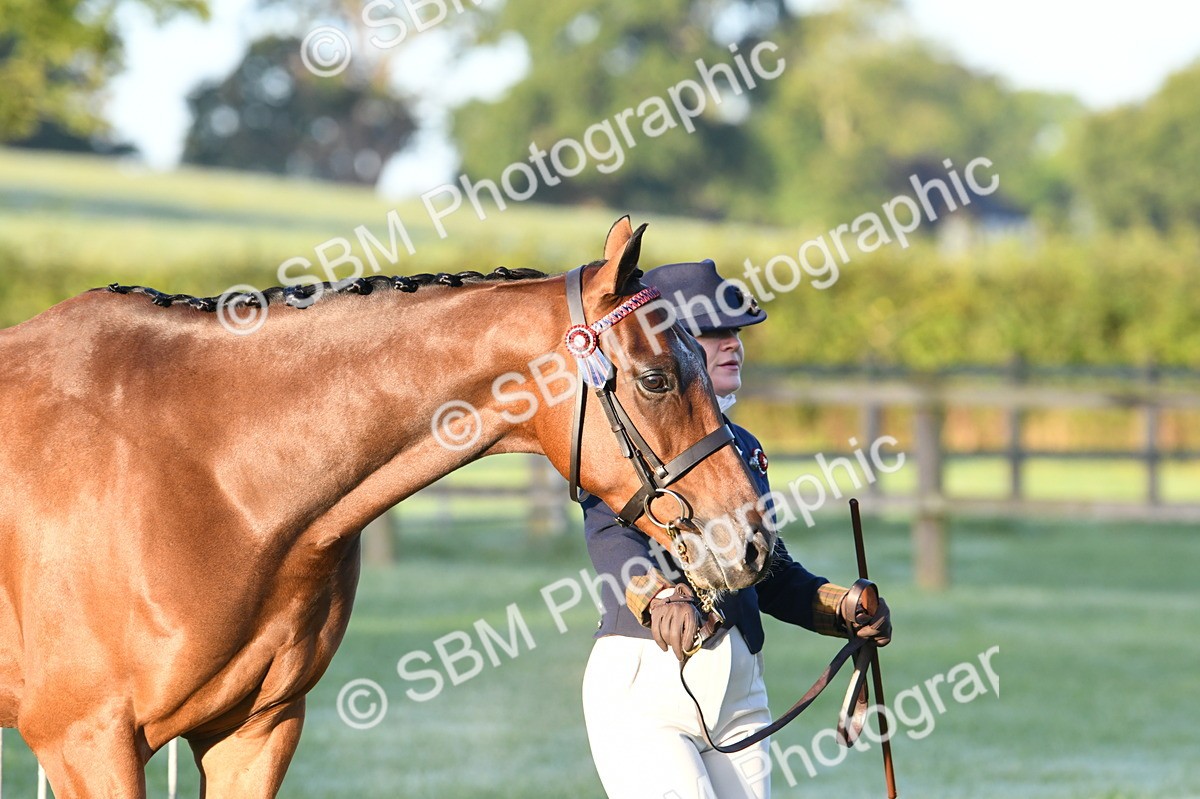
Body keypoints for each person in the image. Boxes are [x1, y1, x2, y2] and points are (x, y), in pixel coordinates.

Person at [580, 260, 893, 799]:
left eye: (736, 333)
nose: (733, 345)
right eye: (714, 333)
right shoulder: (626, 444)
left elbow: (763, 571)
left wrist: (842, 608)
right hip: (647, 682)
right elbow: (610, 536)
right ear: (669, 347)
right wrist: (659, 597)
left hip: (742, 692)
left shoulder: (743, 448)